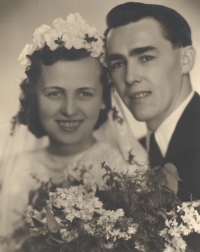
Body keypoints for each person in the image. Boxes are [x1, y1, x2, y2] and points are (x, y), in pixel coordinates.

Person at [0, 13, 147, 244]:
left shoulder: (125, 169)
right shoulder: (10, 168)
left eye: (84, 93)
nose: (69, 110)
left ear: (102, 99)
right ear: (35, 97)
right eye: (55, 93)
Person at [104, 2, 200, 251]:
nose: (129, 77)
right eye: (118, 63)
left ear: (186, 60)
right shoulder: (133, 152)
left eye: (145, 57)